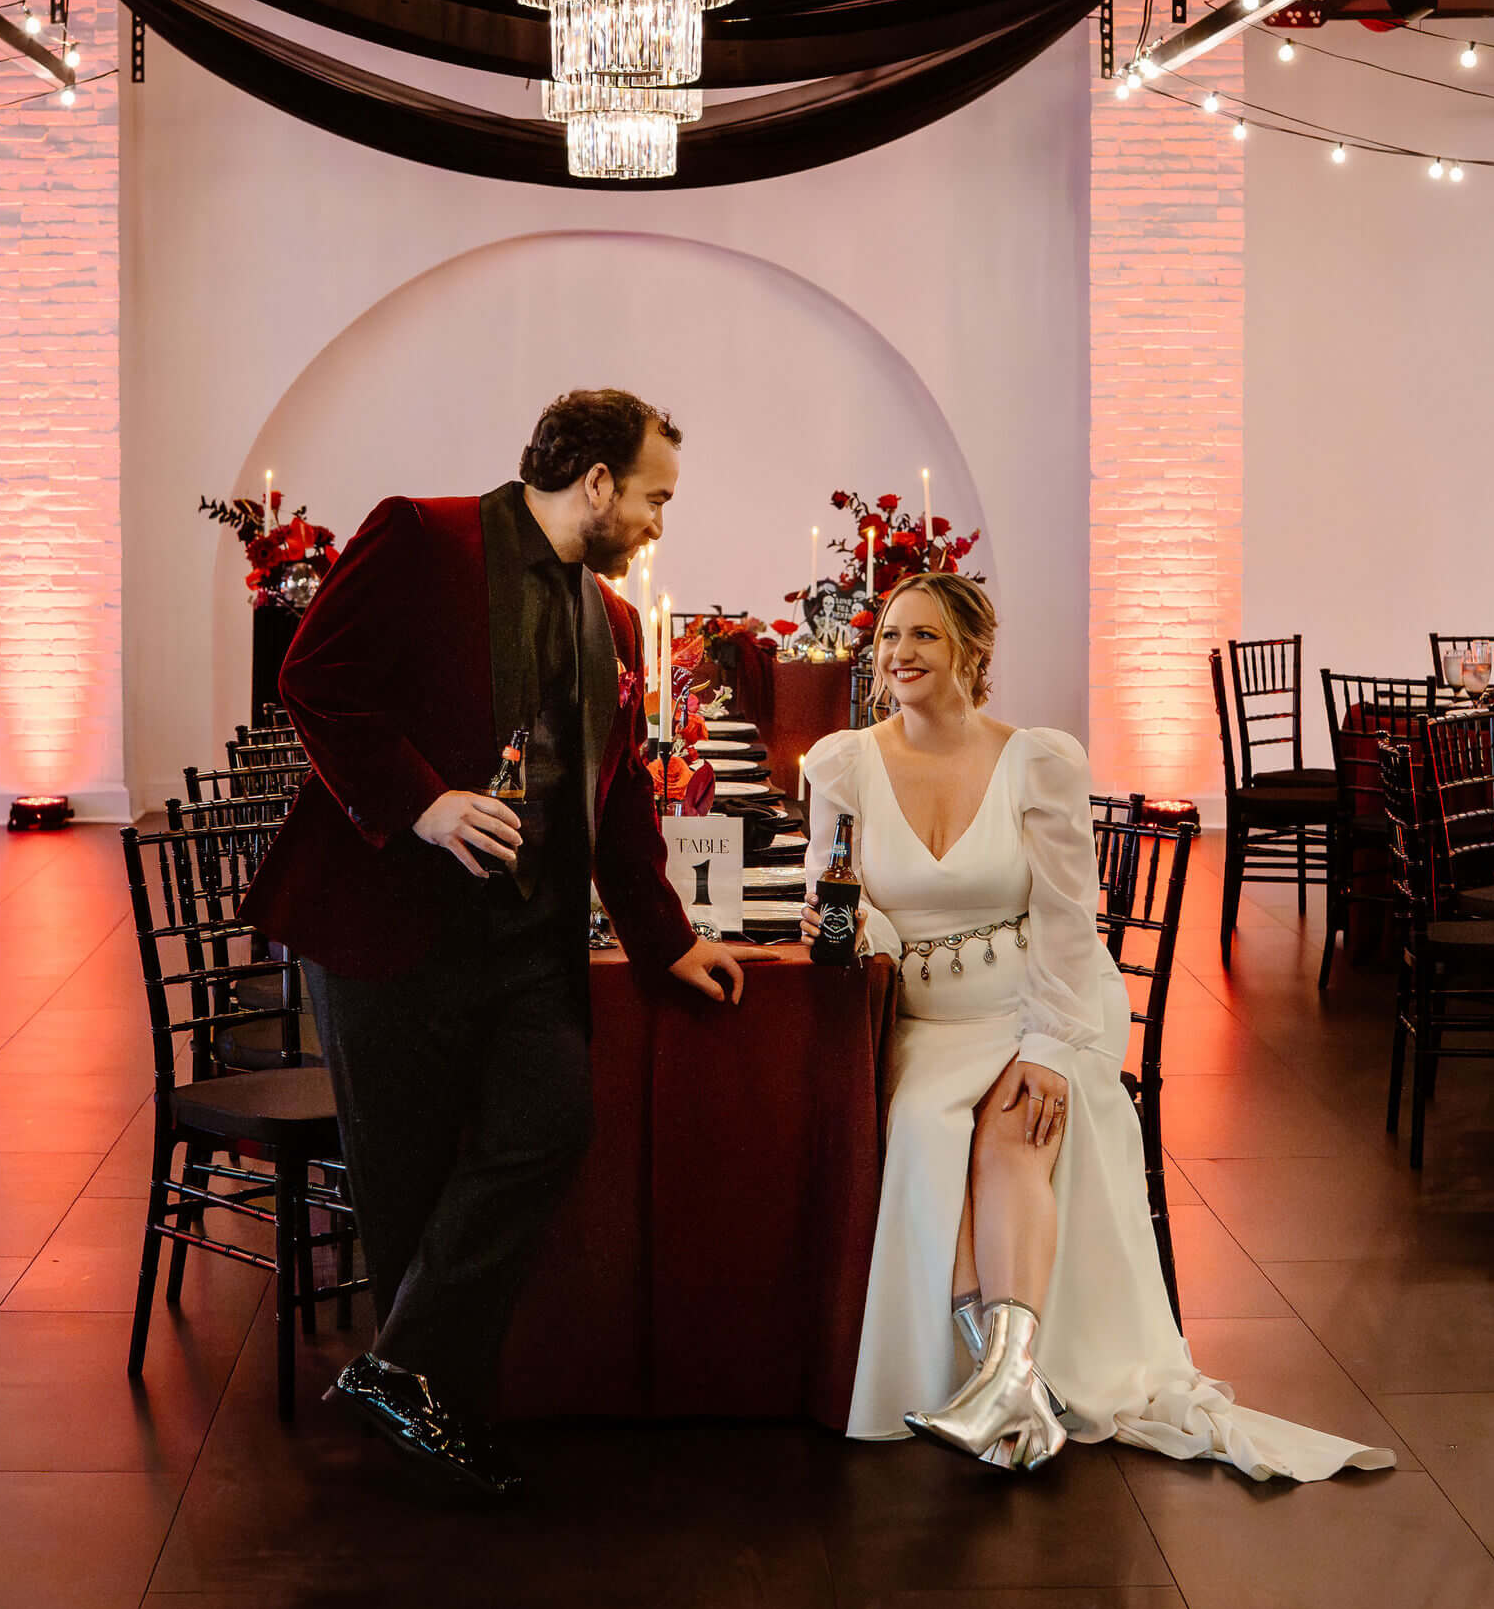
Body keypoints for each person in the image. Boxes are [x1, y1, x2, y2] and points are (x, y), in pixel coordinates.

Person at [245, 388, 751, 1499]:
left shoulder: (614, 621)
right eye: (656, 497)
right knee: (405, 1181)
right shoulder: (422, 537)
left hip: (529, 943)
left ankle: (398, 1371)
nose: (659, 522)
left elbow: (619, 796)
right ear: (598, 482)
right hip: (388, 926)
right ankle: (429, 1422)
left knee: (551, 1123)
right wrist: (424, 803)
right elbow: (313, 677)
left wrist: (665, 939)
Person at [806, 572, 1392, 1481]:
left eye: (923, 635)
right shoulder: (843, 765)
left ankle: (1006, 1383)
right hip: (926, 1022)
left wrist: (1048, 1046)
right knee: (923, 1127)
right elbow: (844, 898)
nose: (899, 653)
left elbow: (1067, 919)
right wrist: (844, 927)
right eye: (888, 635)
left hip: (1038, 1004)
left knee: (1012, 1133)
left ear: (970, 651)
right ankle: (1008, 1388)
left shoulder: (1033, 761)